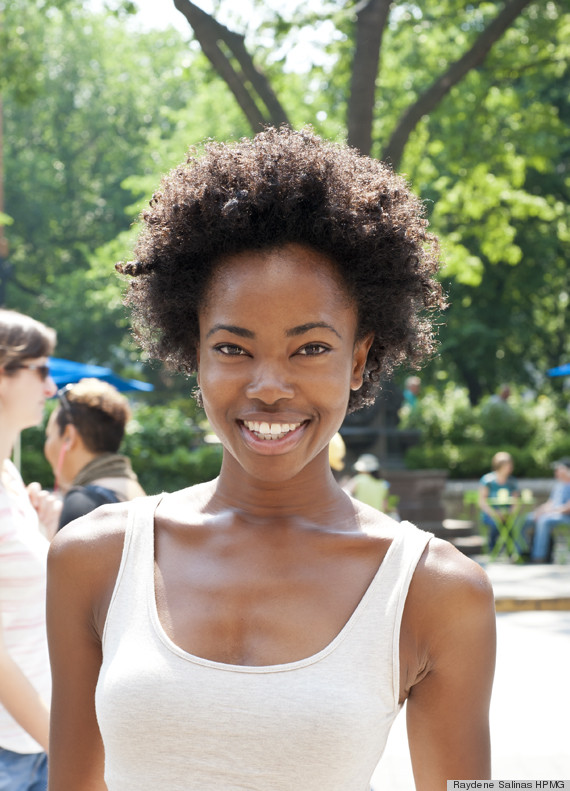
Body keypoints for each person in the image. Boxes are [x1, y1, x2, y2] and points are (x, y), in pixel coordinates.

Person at [46, 127, 496, 790]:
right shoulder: (92, 558)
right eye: (232, 348)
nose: (269, 386)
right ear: (191, 352)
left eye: (310, 347)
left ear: (360, 359)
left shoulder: (437, 590)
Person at [0, 309, 61, 791]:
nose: (50, 387)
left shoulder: (9, 475)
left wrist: (44, 533)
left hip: (32, 743)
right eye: (41, 369)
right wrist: (60, 743)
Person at [43, 378, 145, 530]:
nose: (47, 445)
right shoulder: (137, 493)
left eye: (49, 436)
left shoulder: (83, 504)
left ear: (69, 436)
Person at [521, 458, 570, 563]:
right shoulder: (558, 485)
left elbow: (568, 507)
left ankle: (539, 557)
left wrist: (552, 512)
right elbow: (550, 503)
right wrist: (539, 511)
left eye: (559, 469)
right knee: (526, 519)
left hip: (565, 517)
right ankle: (522, 552)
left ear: (567, 470)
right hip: (553, 514)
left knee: (544, 520)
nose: (556, 472)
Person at [478, 451, 519, 552]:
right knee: (496, 524)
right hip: (491, 513)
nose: (510, 467)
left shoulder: (512, 481)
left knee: (514, 524)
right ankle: (493, 550)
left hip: (507, 513)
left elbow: (515, 501)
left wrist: (510, 513)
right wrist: (494, 514)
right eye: (508, 465)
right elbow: (482, 501)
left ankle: (513, 552)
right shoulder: (487, 480)